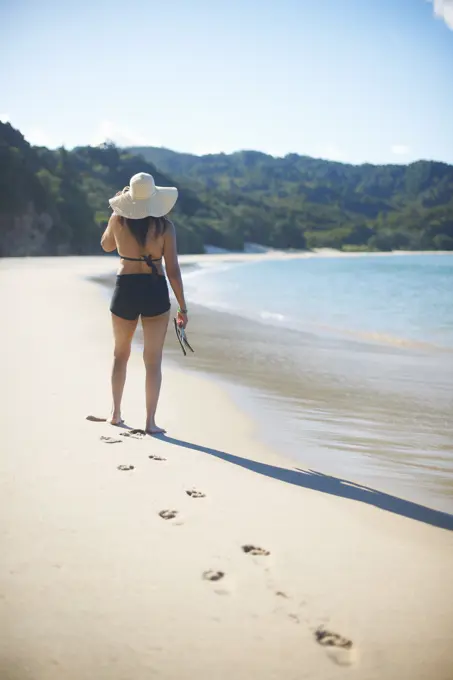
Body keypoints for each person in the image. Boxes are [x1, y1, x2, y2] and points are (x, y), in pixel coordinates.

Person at [100, 172, 188, 434]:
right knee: (153, 360)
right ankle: (150, 422)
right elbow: (172, 270)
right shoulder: (165, 227)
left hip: (125, 288)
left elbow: (105, 246)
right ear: (155, 199)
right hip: (154, 290)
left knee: (120, 354)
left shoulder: (118, 220)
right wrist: (183, 307)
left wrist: (117, 210)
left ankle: (115, 414)